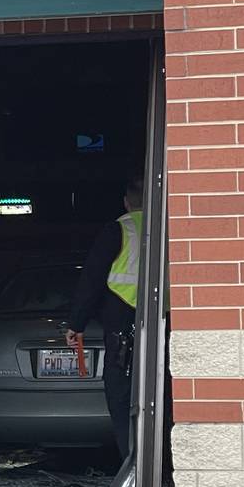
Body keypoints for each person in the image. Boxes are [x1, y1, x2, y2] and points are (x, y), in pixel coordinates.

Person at [66, 175, 146, 461]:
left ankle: (132, 467)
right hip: (164, 322)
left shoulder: (119, 230)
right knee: (161, 398)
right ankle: (162, 470)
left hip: (122, 324)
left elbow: (92, 279)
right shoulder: (167, 228)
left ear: (126, 202)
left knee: (122, 397)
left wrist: (77, 323)